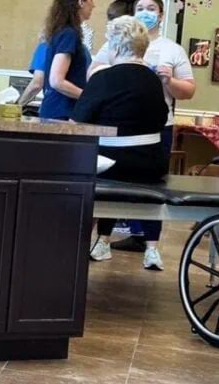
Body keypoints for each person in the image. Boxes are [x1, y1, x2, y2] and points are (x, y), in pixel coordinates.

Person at [91, 0, 196, 252]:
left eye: (151, 8)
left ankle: (151, 244)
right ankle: (103, 238)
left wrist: (168, 81)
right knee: (113, 181)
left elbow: (189, 90)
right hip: (119, 124)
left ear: (161, 14)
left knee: (153, 184)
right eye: (140, 8)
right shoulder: (114, 44)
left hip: (158, 126)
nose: (145, 12)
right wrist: (122, 71)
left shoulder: (172, 49)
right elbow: (92, 72)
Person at [71, 17, 170, 269]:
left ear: (114, 47)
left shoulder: (103, 78)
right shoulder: (153, 81)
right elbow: (161, 119)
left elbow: (76, 123)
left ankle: (75, 242)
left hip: (113, 165)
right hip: (150, 166)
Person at [38, 0, 94, 120]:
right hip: (61, 112)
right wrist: (90, 97)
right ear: (81, 2)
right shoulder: (69, 34)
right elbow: (57, 80)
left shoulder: (63, 32)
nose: (94, 5)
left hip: (58, 110)